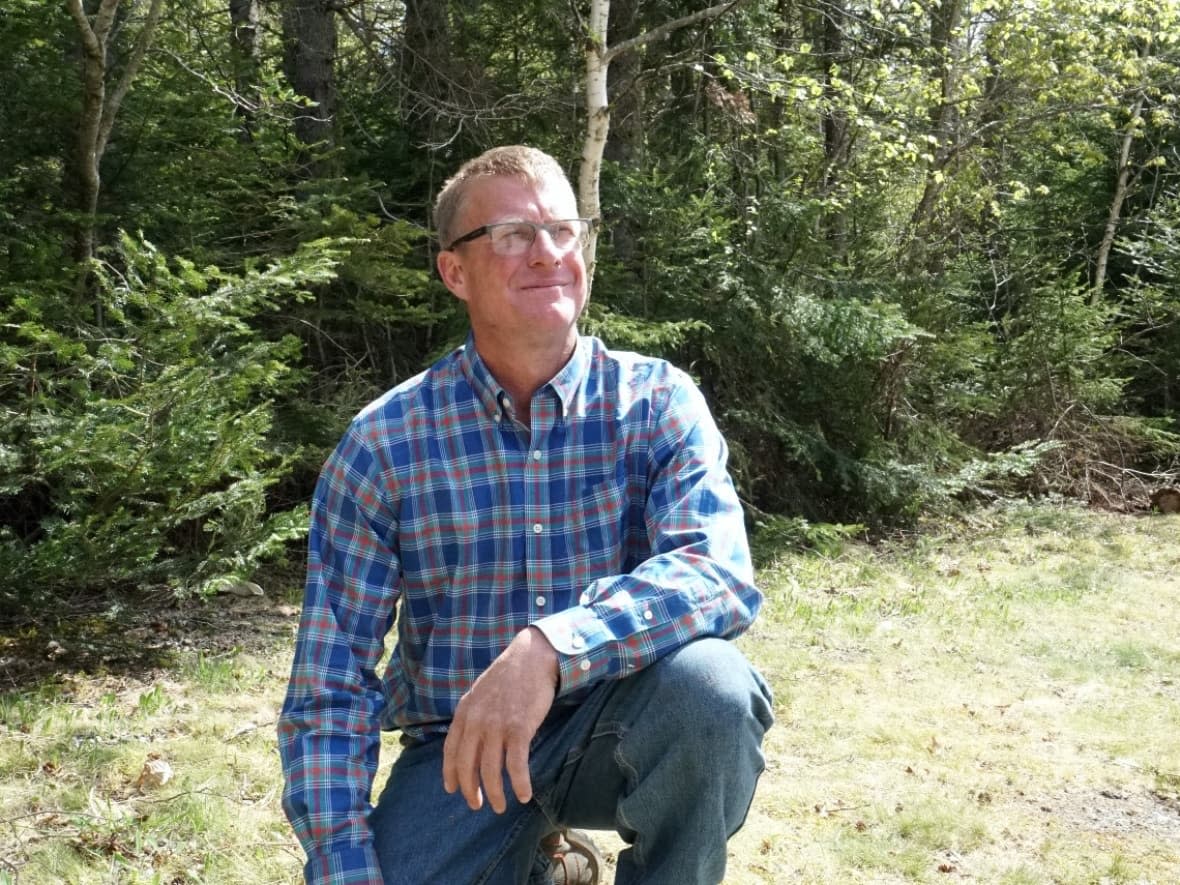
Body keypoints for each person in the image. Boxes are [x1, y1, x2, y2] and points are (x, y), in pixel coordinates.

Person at [278, 145, 774, 885]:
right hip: (461, 758)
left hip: (619, 721)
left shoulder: (657, 402)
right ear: (454, 270)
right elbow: (332, 680)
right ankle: (548, 864)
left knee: (712, 689)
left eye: (562, 230)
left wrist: (550, 649)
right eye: (511, 234)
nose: (546, 253)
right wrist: (343, 866)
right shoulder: (385, 443)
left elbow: (717, 575)